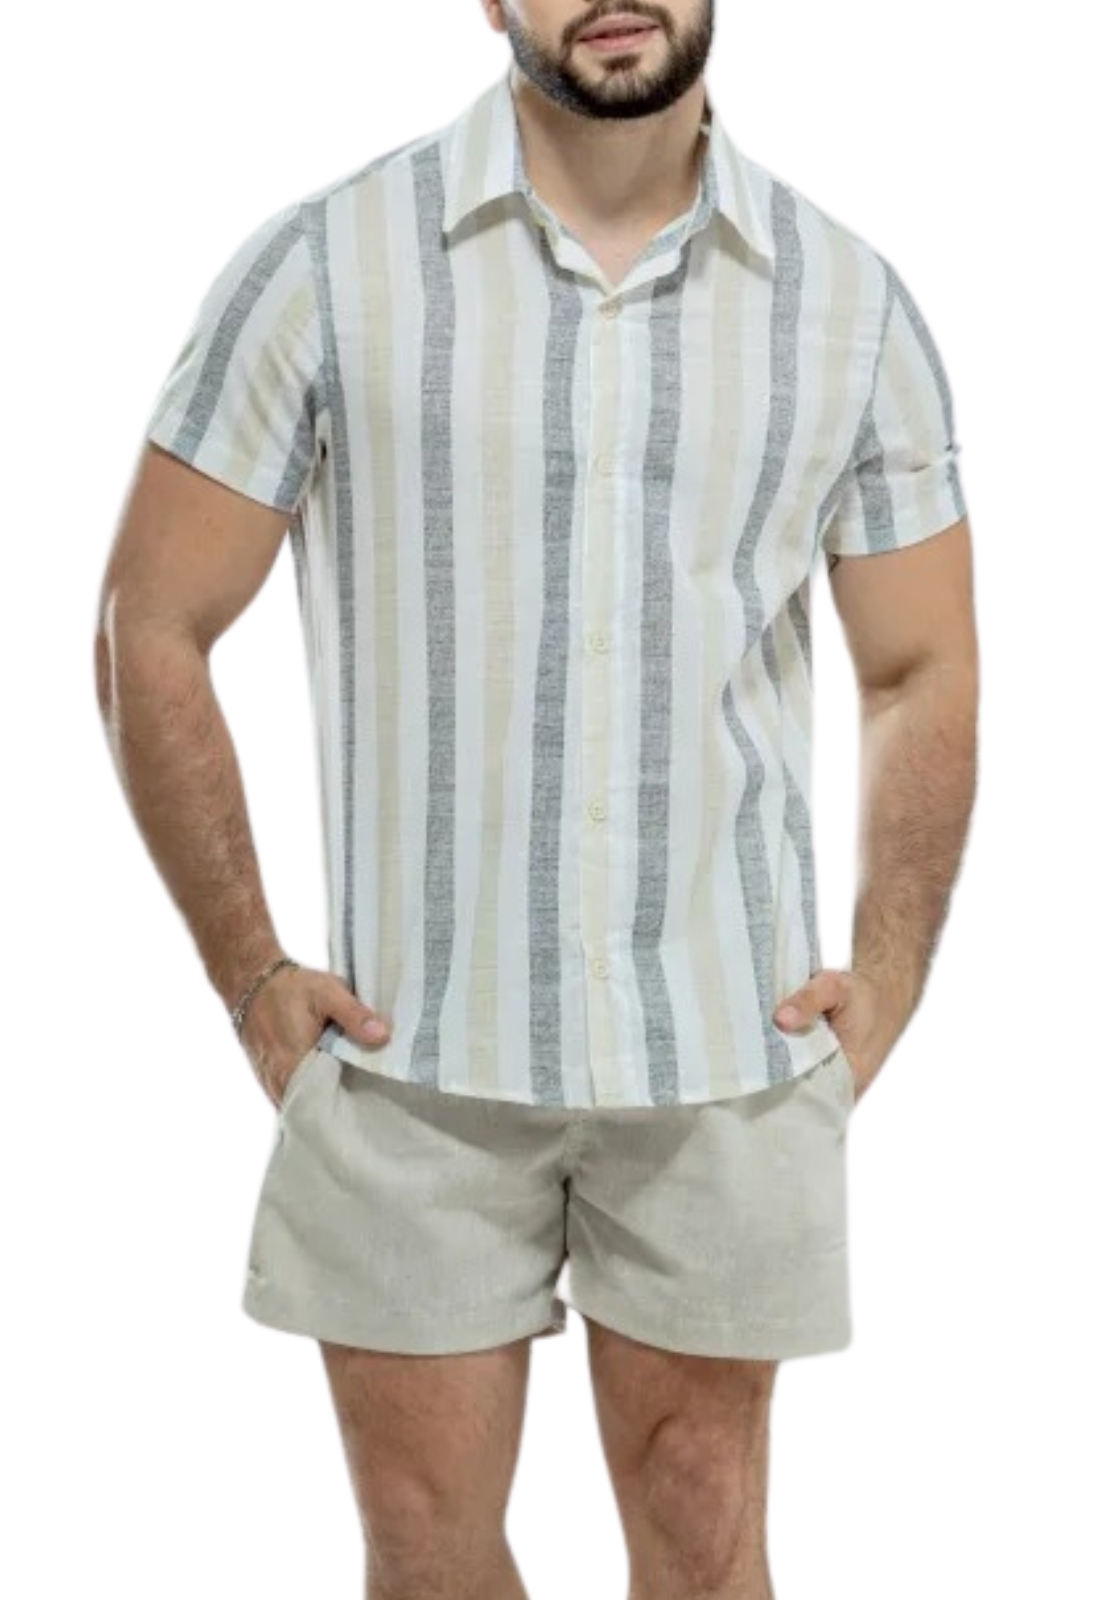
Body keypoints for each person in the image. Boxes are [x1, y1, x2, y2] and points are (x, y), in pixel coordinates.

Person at [95, 1, 979, 1594]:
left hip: (723, 1056)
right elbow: (147, 626)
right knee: (426, 1552)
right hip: (412, 1058)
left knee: (706, 1536)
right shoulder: (326, 268)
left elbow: (919, 668)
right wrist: (249, 971)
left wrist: (897, 961)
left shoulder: (848, 306)